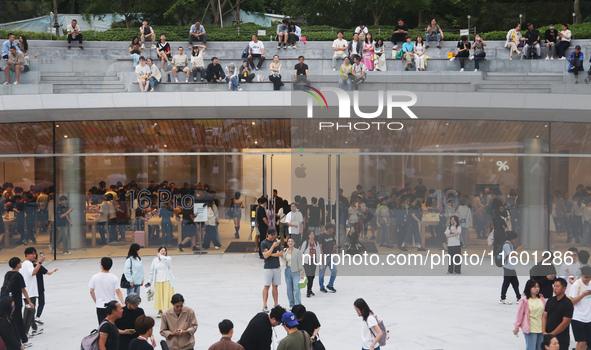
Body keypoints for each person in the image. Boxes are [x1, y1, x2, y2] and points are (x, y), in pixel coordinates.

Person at [89, 257, 124, 323]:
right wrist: (122, 303)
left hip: (100, 305)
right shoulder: (114, 277)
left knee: (102, 325)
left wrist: (96, 301)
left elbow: (91, 291)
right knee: (113, 324)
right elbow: (118, 291)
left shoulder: (95, 277)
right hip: (112, 305)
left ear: (101, 265)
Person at [514, 279, 546, 350]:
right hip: (531, 329)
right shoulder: (524, 300)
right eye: (534, 287)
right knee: (531, 348)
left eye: (537, 287)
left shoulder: (541, 298)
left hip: (541, 328)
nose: (536, 289)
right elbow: (520, 315)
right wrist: (517, 327)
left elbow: (545, 313)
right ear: (529, 288)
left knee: (540, 348)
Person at [542, 278, 573, 350]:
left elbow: (565, 322)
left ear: (564, 288)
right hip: (547, 337)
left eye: (557, 286)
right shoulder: (550, 300)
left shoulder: (568, 303)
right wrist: (544, 331)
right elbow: (544, 316)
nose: (555, 288)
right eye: (554, 286)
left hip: (561, 338)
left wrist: (552, 334)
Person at [567, 266, 591, 350]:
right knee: (581, 342)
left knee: (587, 343)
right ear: (581, 275)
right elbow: (572, 302)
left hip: (588, 318)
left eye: (589, 277)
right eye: (585, 278)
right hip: (577, 317)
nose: (587, 279)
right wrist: (583, 295)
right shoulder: (577, 284)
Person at [20, 248, 42, 338]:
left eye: (35, 254)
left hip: (28, 292)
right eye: (32, 254)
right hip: (30, 293)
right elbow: (33, 273)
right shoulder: (28, 264)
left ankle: (34, 327)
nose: (34, 255)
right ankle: (25, 332)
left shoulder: (25, 264)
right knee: (29, 312)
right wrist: (40, 263)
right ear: (27, 255)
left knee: (30, 312)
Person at [148, 246, 175, 318]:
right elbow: (152, 271)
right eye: (161, 251)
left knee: (167, 296)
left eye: (164, 251)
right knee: (158, 296)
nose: (163, 252)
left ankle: (169, 311)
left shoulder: (167, 259)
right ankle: (160, 311)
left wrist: (161, 256)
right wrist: (149, 281)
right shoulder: (155, 260)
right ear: (158, 252)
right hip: (158, 281)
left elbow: (166, 259)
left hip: (166, 280)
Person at [261, 227, 283, 313]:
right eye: (272, 235)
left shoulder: (277, 242)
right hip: (268, 268)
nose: (274, 236)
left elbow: (281, 253)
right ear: (268, 234)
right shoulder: (264, 243)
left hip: (276, 267)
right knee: (267, 286)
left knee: (275, 286)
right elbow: (265, 255)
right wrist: (273, 247)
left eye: (274, 234)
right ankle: (265, 305)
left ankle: (276, 304)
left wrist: (270, 253)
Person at [33, 251, 57, 325]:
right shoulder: (39, 266)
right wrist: (54, 270)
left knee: (32, 302)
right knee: (41, 302)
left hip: (32, 288)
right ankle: (37, 317)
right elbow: (48, 273)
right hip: (39, 287)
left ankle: (30, 317)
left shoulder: (28, 267)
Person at [500, 231, 523, 304]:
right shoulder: (506, 245)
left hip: (511, 267)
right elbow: (510, 255)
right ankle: (503, 298)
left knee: (515, 282)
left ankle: (518, 297)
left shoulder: (510, 244)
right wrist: (518, 250)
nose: (516, 239)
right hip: (507, 267)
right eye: (515, 238)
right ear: (511, 238)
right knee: (506, 283)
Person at [283, 237, 304, 308]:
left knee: (296, 289)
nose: (290, 242)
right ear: (287, 243)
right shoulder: (285, 251)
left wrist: (302, 273)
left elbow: (300, 263)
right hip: (288, 271)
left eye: (292, 241)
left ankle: (298, 305)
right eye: (289, 241)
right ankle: (291, 305)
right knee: (289, 289)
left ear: (294, 243)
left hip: (296, 271)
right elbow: (283, 259)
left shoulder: (297, 251)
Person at [301, 231, 320, 298]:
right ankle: (308, 290)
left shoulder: (316, 243)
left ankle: (310, 289)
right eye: (310, 234)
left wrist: (319, 262)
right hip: (307, 261)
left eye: (313, 234)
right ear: (308, 235)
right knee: (309, 275)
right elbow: (301, 252)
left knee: (312, 276)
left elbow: (318, 252)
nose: (312, 236)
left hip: (314, 261)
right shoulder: (305, 243)